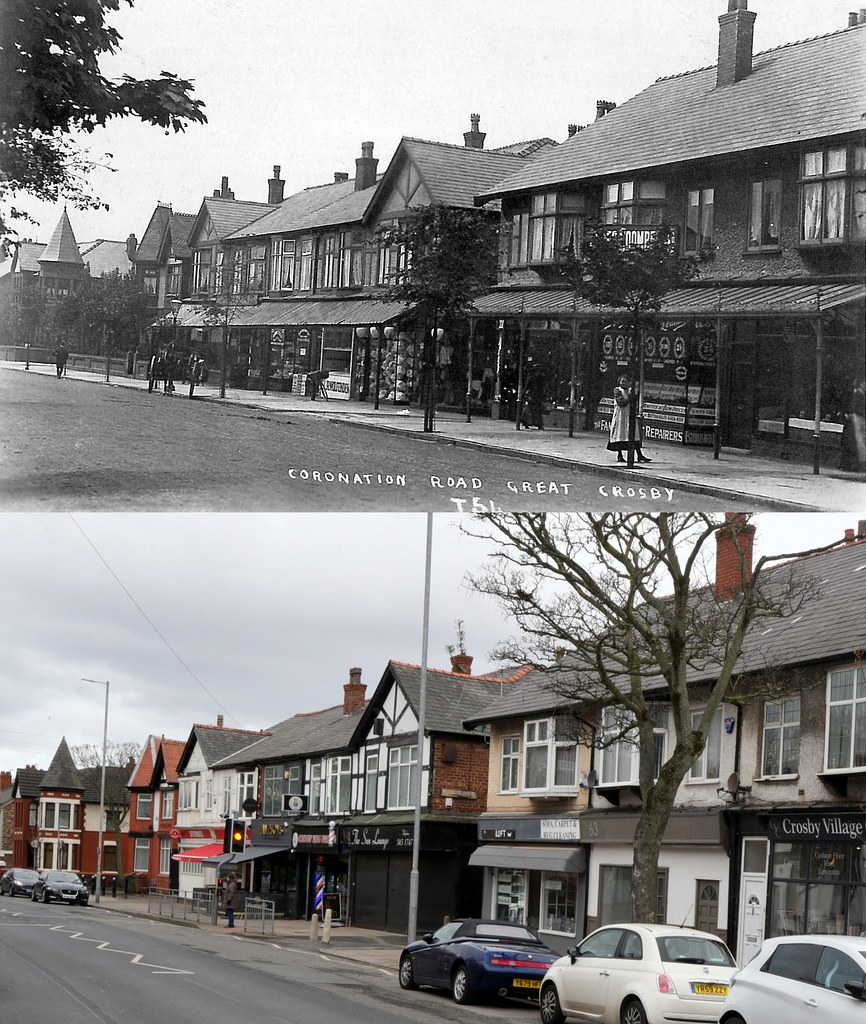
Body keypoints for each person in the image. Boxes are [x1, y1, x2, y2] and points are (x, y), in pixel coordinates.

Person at [607, 375, 652, 464]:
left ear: (629, 382)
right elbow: (621, 403)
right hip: (620, 416)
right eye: (622, 381)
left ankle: (639, 455)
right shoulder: (617, 390)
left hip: (630, 415)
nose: (623, 383)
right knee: (620, 433)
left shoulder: (631, 391)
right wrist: (630, 398)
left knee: (633, 434)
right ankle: (620, 455)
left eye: (625, 381)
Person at [840, 377, 866, 473]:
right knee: (859, 442)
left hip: (856, 421)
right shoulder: (858, 395)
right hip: (857, 421)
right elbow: (855, 408)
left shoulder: (860, 394)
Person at [521, 364, 546, 429]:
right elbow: (526, 387)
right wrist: (523, 394)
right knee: (530, 410)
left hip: (538, 396)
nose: (539, 372)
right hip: (532, 396)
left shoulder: (541, 379)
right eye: (538, 371)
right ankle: (528, 423)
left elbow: (543, 388)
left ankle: (538, 424)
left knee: (537, 410)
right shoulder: (531, 378)